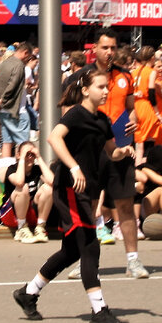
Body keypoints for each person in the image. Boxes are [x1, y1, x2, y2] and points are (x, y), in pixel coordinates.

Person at [13, 67, 135, 323]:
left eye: (107, 88)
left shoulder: (102, 120)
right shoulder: (76, 114)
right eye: (100, 87)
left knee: (71, 251)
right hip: (69, 187)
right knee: (90, 245)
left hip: (87, 188)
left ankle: (28, 293)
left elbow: (111, 152)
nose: (105, 91)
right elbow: (53, 138)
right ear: (85, 90)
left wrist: (123, 151)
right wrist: (73, 166)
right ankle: (99, 310)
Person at [62, 29, 147, 276]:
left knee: (125, 205)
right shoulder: (79, 77)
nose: (109, 52)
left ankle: (133, 260)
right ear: (94, 50)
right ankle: (84, 261)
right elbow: (66, 111)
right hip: (90, 151)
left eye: (112, 48)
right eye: (104, 47)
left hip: (119, 147)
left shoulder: (125, 76)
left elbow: (131, 108)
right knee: (87, 207)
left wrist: (132, 121)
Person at [0, 44, 32, 159]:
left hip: (4, 109)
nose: (28, 60)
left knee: (7, 142)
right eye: (29, 57)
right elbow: (12, 86)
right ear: (25, 53)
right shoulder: (18, 65)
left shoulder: (5, 63)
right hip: (15, 110)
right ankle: (23, 170)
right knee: (24, 144)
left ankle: (5, 169)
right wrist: (2, 102)